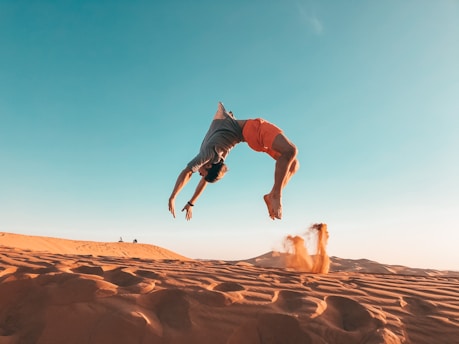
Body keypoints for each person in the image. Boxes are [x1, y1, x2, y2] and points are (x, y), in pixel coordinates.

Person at [168, 102, 299, 220]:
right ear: (208, 166)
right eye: (202, 174)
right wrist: (180, 199)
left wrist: (181, 198)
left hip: (251, 138)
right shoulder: (210, 155)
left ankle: (272, 195)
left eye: (201, 174)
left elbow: (188, 173)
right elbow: (196, 176)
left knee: (293, 164)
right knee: (290, 151)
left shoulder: (210, 156)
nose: (200, 174)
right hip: (253, 130)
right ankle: (276, 195)